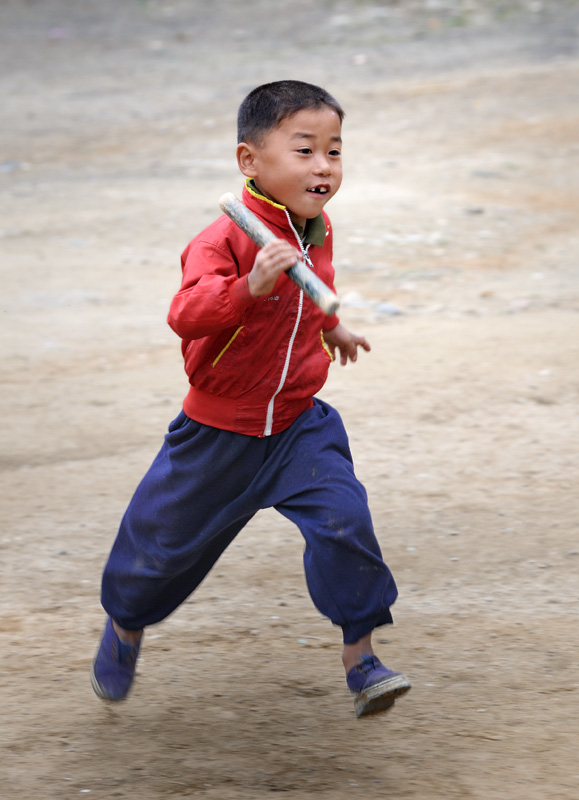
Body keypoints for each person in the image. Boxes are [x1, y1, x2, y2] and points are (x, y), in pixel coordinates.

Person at [91, 80, 410, 718]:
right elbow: (187, 313)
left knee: (345, 522)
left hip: (298, 426)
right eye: (305, 150)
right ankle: (125, 627)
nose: (323, 166)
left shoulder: (316, 231)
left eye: (334, 151)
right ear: (250, 161)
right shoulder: (223, 239)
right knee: (155, 551)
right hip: (218, 435)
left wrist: (332, 325)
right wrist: (249, 287)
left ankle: (362, 658)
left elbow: (311, 294)